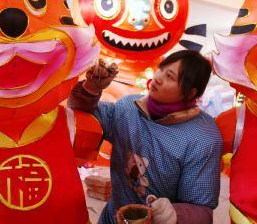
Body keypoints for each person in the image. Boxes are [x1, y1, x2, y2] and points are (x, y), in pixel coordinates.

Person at [69, 50, 222, 224]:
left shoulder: (202, 137)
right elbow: (81, 116)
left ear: (191, 93)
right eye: (161, 69)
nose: (158, 77)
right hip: (112, 218)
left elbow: (202, 210)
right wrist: (91, 88)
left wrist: (174, 214)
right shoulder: (128, 108)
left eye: (170, 77)